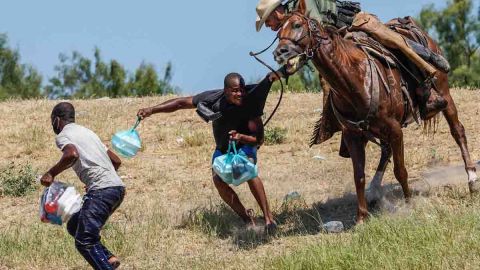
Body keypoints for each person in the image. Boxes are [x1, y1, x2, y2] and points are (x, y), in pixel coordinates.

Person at [137, 72, 282, 232]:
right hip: (223, 149)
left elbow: (259, 140)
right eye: (235, 90)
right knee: (218, 180)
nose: (239, 94)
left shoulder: (250, 104)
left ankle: (269, 219)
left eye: (241, 90)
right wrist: (152, 110)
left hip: (245, 144)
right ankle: (247, 219)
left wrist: (240, 137)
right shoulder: (212, 99)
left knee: (247, 170)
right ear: (225, 90)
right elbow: (180, 103)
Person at [255, 0, 451, 118]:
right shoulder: (290, 25)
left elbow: (317, 36)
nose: (268, 26)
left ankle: (427, 81)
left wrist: (284, 70)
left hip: (355, 26)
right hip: (338, 40)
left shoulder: (301, 7)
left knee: (392, 44)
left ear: (277, 12)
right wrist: (283, 70)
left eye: (268, 21)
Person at [40, 102, 125, 270]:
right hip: (117, 189)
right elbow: (116, 160)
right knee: (75, 225)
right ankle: (108, 258)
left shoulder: (64, 135)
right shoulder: (88, 132)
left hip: (103, 190)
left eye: (52, 121)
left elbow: (71, 154)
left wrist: (51, 173)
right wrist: (97, 180)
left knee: (84, 242)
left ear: (57, 120)